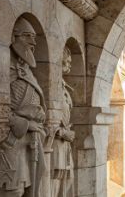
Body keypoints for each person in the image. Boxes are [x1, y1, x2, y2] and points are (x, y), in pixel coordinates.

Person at [0, 18, 46, 197]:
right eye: (27, 36)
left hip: (29, 142)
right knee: (13, 190)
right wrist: (25, 123)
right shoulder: (4, 67)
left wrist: (39, 113)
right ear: (13, 36)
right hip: (10, 142)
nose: (33, 42)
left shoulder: (26, 71)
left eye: (34, 37)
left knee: (28, 189)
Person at [49, 47, 75, 196]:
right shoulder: (51, 84)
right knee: (54, 184)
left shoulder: (63, 86)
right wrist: (63, 133)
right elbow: (45, 119)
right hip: (55, 145)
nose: (70, 65)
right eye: (67, 61)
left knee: (66, 183)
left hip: (64, 146)